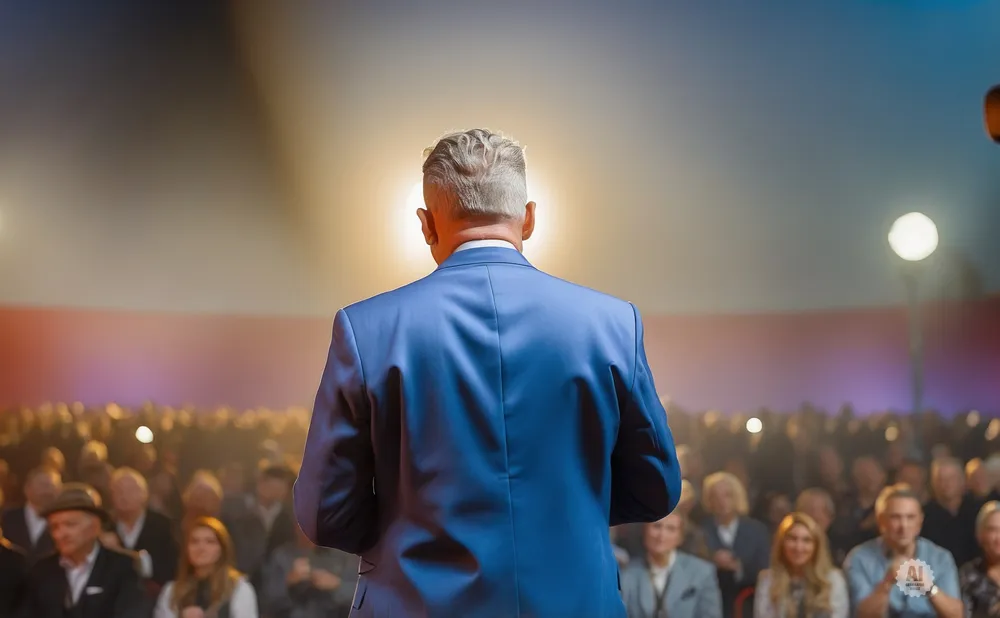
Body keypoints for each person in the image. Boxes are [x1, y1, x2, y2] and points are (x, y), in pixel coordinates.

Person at [295, 128, 682, 618]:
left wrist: (408, 532)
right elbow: (655, 488)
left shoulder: (365, 329)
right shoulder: (612, 323)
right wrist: (565, 516)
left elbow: (324, 513)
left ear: (426, 225)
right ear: (529, 218)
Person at [20, 483, 147, 618]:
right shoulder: (41, 571)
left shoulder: (124, 567)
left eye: (70, 524)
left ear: (95, 527)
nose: (61, 534)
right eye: (55, 527)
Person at [844, 483, 963, 618]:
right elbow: (862, 615)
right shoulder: (859, 558)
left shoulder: (940, 557)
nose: (903, 526)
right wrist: (886, 583)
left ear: (920, 522)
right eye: (896, 517)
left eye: (910, 517)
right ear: (881, 521)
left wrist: (929, 588)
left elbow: (957, 615)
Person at [620, 513, 723, 618]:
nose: (662, 535)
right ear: (645, 530)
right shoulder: (626, 573)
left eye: (671, 529)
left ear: (680, 537)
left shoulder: (702, 572)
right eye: (656, 526)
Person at [154, 516, 259, 618]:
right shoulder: (172, 591)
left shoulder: (239, 589)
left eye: (210, 542)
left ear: (222, 549)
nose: (201, 548)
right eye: (194, 542)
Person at [753, 512, 848, 618]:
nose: (799, 547)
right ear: (782, 544)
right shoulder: (768, 580)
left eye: (806, 540)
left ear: (816, 546)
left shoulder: (833, 580)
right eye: (793, 539)